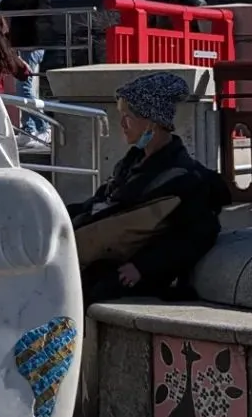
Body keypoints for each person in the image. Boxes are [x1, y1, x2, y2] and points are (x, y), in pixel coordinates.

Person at [70, 72, 231, 306]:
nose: (122, 124)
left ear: (152, 123)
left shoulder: (185, 178)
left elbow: (198, 233)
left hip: (135, 273)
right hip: (100, 258)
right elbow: (100, 206)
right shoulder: (130, 163)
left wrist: (142, 267)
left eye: (129, 117)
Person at [0, 0, 53, 142]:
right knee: (25, 87)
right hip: (33, 42)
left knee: (25, 88)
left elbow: (20, 3)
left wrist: (4, 2)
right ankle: (31, 129)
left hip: (30, 42)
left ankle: (39, 127)